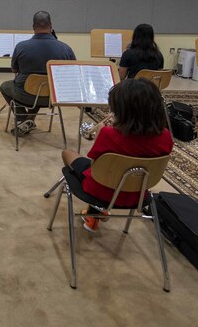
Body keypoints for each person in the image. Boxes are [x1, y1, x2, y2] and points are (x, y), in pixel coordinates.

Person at [61, 78, 173, 233]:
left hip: (99, 191)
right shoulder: (166, 136)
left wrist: (101, 132)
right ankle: (95, 215)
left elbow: (95, 168)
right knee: (113, 171)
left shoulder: (107, 134)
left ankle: (95, 212)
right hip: (138, 194)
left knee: (68, 153)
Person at [0, 11, 75, 136]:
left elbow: (14, 70)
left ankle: (24, 119)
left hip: (25, 95)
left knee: (4, 86)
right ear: (51, 26)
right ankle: (29, 119)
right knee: (44, 86)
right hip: (53, 97)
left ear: (33, 27)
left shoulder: (21, 46)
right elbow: (72, 73)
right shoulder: (65, 48)